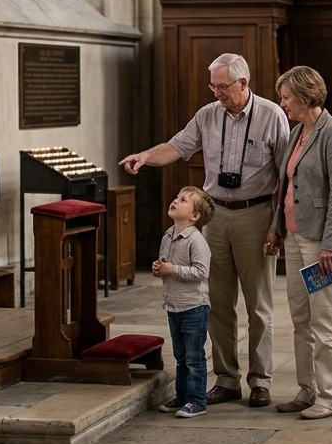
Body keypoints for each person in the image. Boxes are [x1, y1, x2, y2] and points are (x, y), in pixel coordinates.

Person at [120, 53, 289, 409]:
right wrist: (146, 156)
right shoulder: (207, 115)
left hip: (255, 214)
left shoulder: (272, 116)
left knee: (259, 306)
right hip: (213, 217)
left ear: (243, 83)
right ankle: (227, 380)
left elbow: (286, 176)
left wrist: (278, 225)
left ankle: (260, 381)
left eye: (223, 86)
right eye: (213, 86)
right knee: (216, 303)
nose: (217, 93)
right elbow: (178, 146)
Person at [265, 66, 332, 420]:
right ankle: (307, 390)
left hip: (322, 243)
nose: (282, 103)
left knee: (324, 317)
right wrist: (275, 228)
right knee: (301, 317)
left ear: (304, 96)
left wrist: (331, 245)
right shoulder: (296, 132)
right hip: (294, 235)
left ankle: (331, 397)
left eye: (286, 97)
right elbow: (285, 188)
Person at [153, 186, 216, 418]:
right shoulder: (168, 236)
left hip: (194, 308)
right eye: (177, 197)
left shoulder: (196, 241)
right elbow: (165, 264)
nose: (175, 201)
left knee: (194, 357)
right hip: (173, 305)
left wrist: (173, 269)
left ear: (195, 216)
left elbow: (201, 272)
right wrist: (159, 268)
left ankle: (197, 400)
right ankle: (181, 397)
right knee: (180, 357)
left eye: (183, 200)